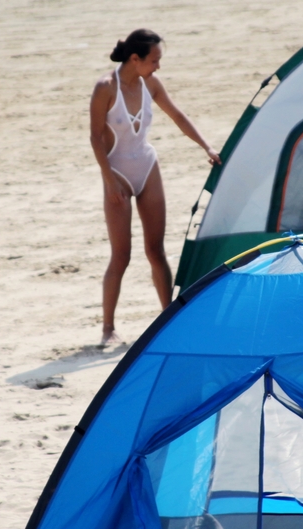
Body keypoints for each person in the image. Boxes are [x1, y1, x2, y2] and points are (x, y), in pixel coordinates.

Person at [89, 30, 219, 345]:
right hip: (116, 172)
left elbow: (177, 115)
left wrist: (206, 147)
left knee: (156, 250)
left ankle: (168, 319)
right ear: (136, 59)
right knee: (121, 254)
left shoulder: (151, 84)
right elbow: (94, 137)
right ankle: (108, 329)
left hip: (147, 167)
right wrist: (108, 181)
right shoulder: (106, 88)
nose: (158, 67)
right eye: (154, 60)